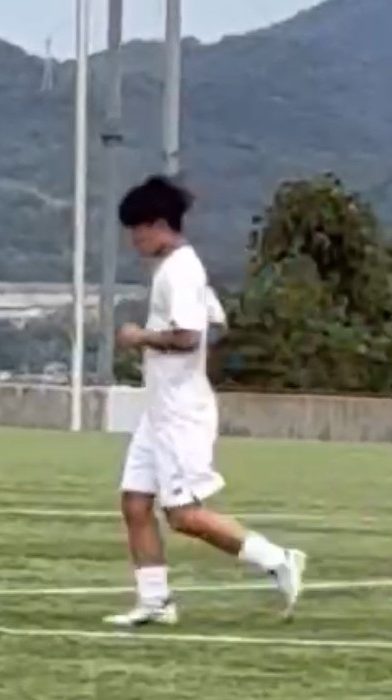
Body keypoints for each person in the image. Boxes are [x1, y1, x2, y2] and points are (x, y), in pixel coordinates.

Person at [104, 175, 306, 627]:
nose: (135, 240)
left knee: (183, 515)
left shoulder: (179, 271)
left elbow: (188, 337)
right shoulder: (180, 269)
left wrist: (141, 337)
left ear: (160, 225)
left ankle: (278, 559)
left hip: (180, 413)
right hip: (161, 409)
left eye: (138, 230)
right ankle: (156, 601)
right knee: (135, 502)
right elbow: (216, 324)